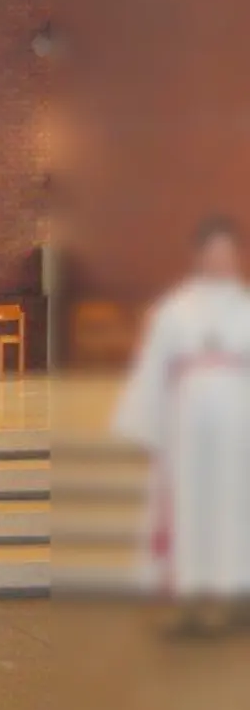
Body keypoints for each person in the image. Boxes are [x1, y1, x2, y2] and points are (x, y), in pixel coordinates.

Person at [112, 216, 250, 634]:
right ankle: (189, 602)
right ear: (199, 255)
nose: (219, 260)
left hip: (239, 430)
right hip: (186, 430)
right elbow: (153, 368)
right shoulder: (175, 309)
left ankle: (237, 597)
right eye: (212, 252)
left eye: (227, 252)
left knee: (237, 509)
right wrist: (146, 425)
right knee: (190, 510)